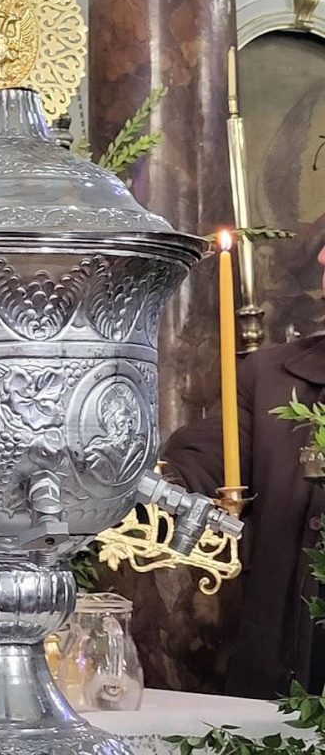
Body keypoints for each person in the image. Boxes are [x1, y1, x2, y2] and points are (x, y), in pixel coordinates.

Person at [161, 242, 325, 699]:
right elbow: (207, 458)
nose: (322, 258)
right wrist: (158, 481)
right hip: (279, 671)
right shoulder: (272, 375)